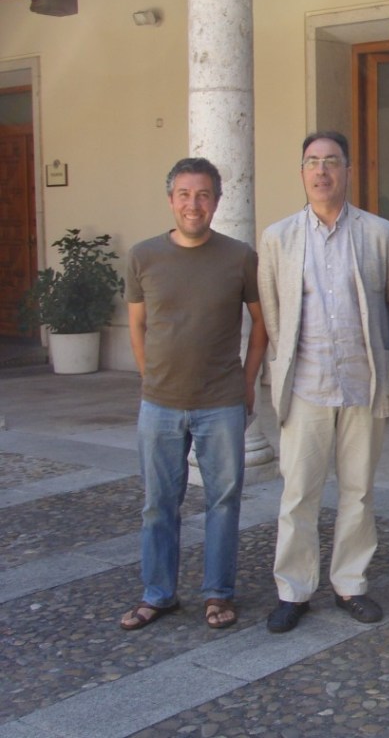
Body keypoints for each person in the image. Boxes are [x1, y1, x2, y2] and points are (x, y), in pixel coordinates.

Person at [259, 130, 389, 633]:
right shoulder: (278, 238)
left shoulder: (381, 234)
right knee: (298, 494)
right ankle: (293, 591)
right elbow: (274, 314)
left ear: (347, 170)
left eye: (332, 161)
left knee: (359, 492)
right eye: (312, 162)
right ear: (301, 172)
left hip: (363, 384)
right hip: (306, 387)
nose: (322, 171)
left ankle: (350, 584)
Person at [120, 157, 267, 631]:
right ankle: (158, 593)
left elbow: (262, 322)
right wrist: (149, 378)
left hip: (221, 401)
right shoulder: (144, 256)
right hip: (159, 403)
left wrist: (247, 384)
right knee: (159, 503)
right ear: (170, 200)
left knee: (224, 502)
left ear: (217, 202)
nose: (193, 204)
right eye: (184, 194)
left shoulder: (238, 256)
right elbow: (138, 325)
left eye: (203, 195)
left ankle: (217, 593)